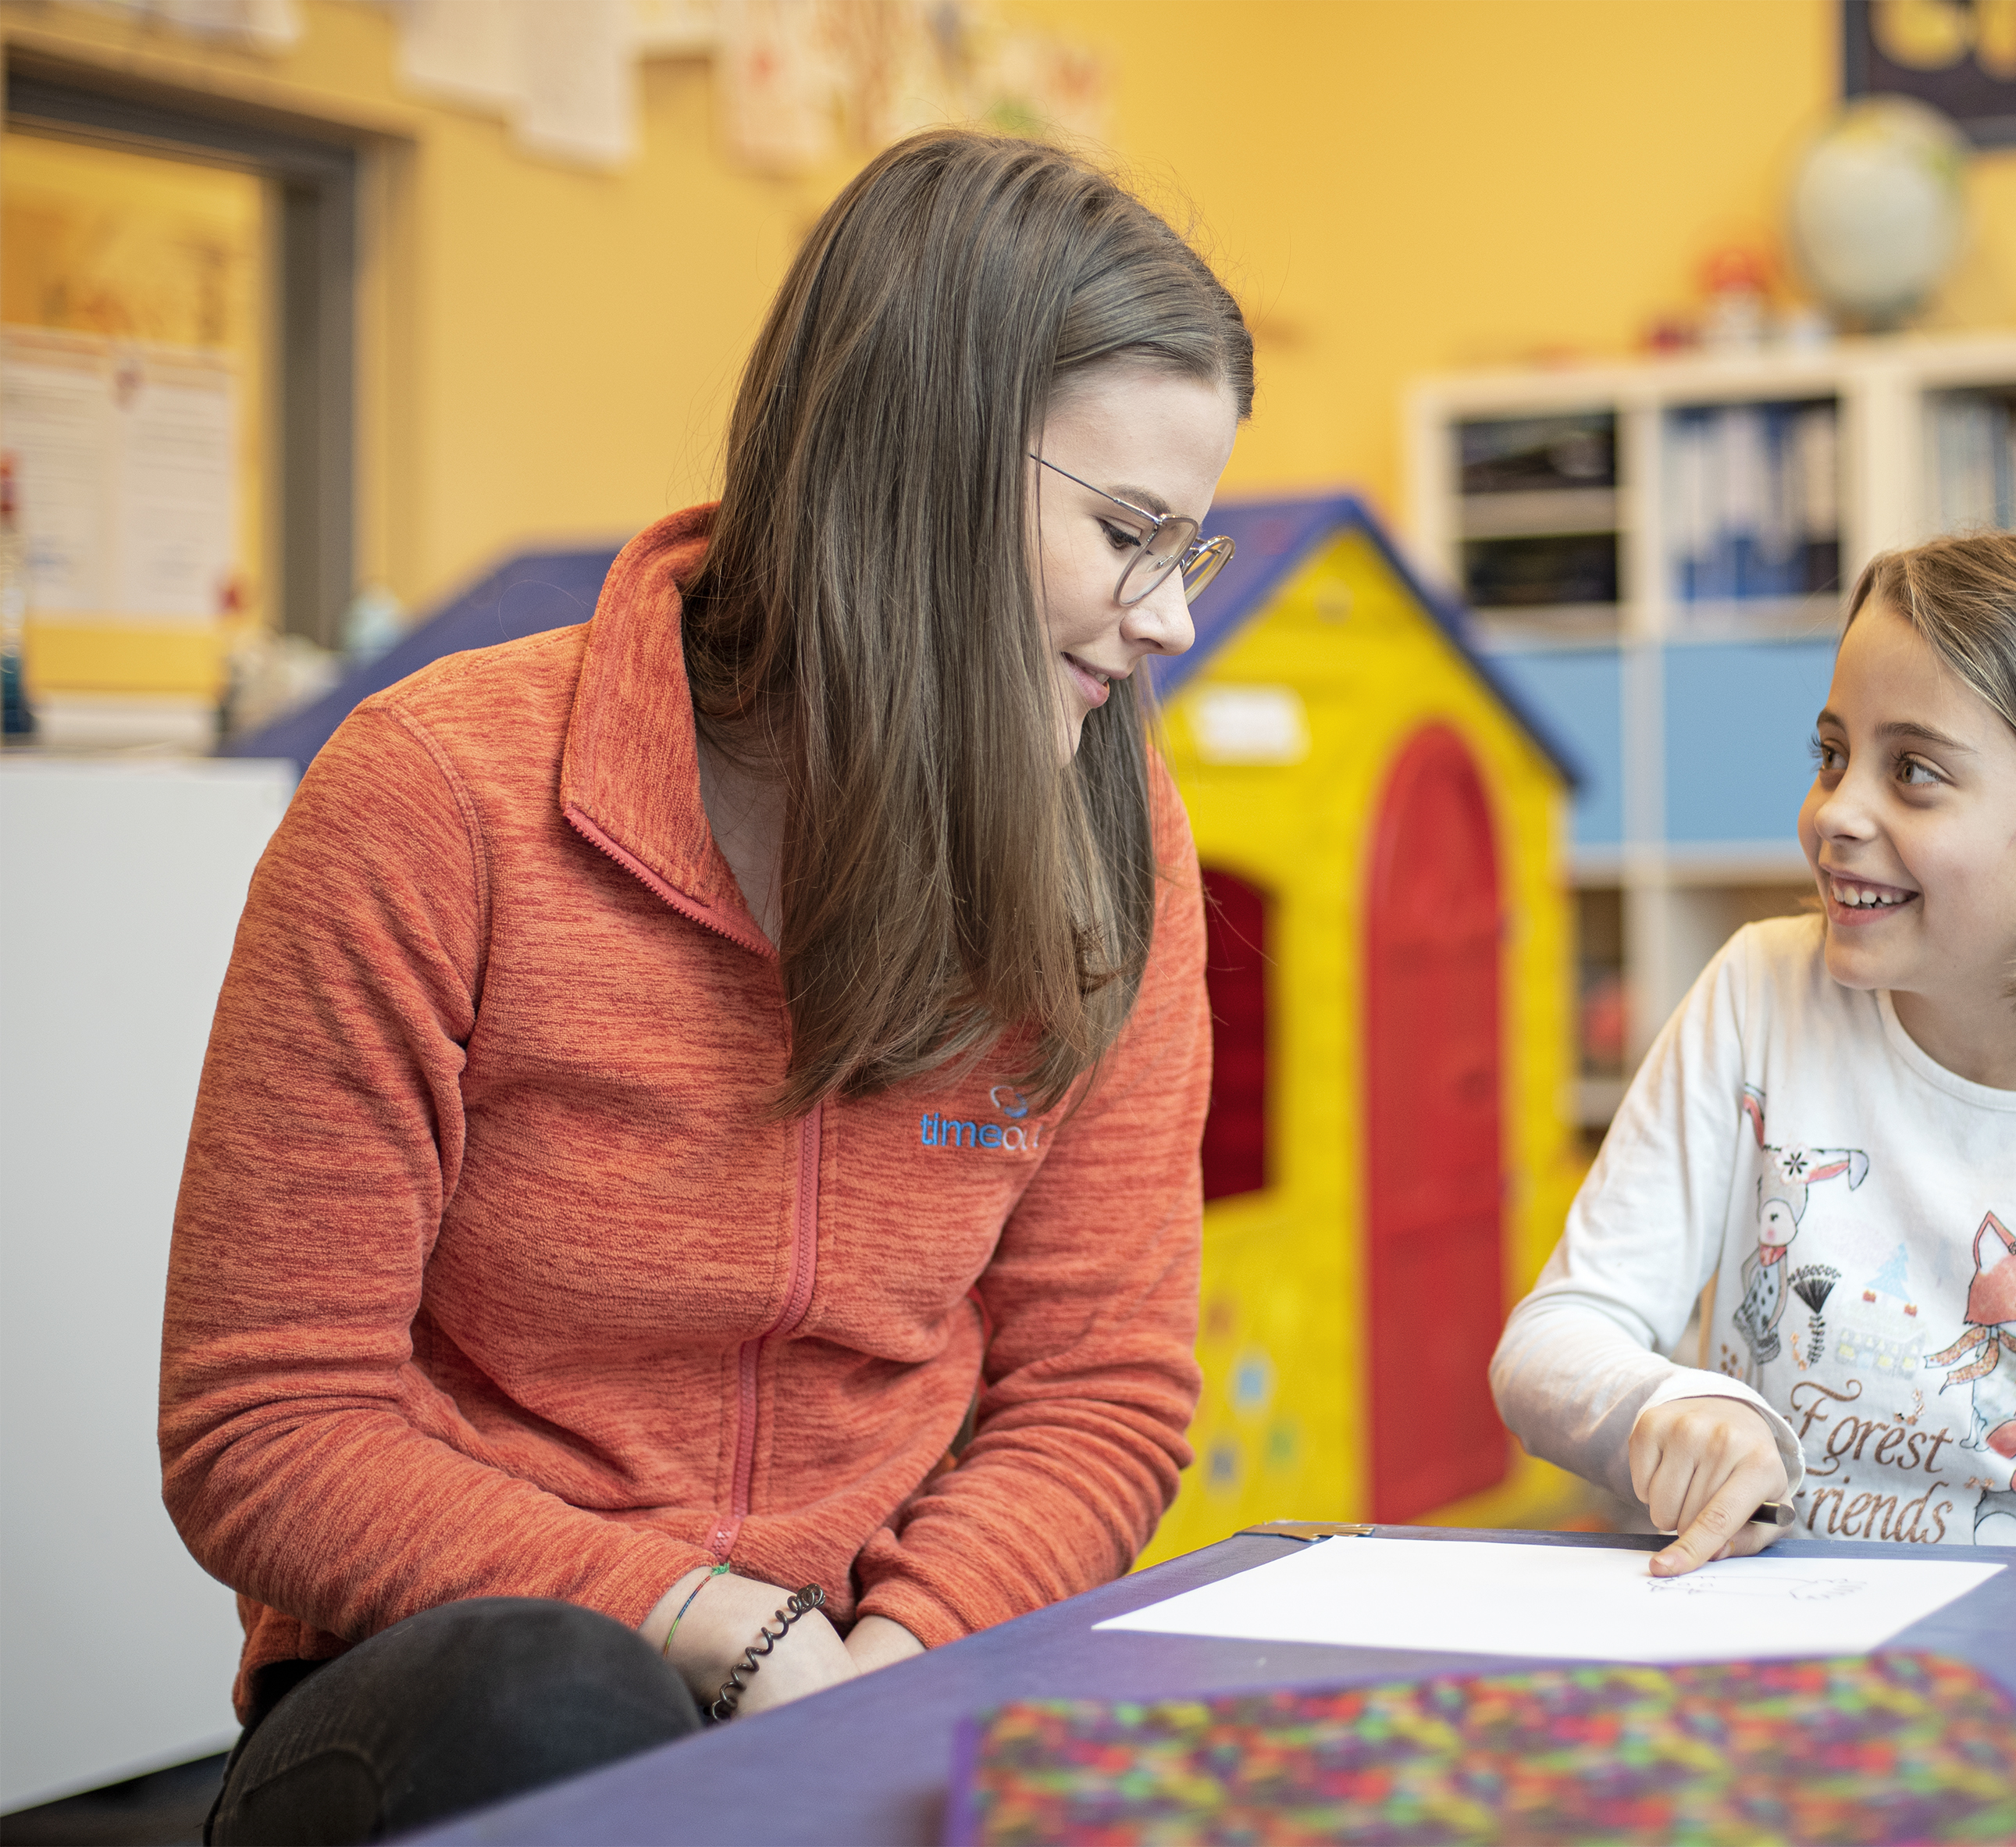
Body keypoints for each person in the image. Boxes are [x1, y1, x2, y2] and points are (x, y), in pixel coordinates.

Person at [160, 130, 1252, 1844]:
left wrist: (887, 1662)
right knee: (565, 1699)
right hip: (466, 1700)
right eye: (1127, 532)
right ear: (917, 465)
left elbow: (1098, 1389)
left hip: (870, 1664)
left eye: (1188, 550)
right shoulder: (435, 795)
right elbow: (265, 1423)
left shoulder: (1119, 843)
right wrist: (719, 1632)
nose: (1165, 620)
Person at [1491, 532, 2016, 1576]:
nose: (1835, 812)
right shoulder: (1757, 992)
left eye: (1917, 772)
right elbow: (1552, 1339)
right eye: (1832, 754)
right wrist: (1671, 1403)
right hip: (1765, 1660)